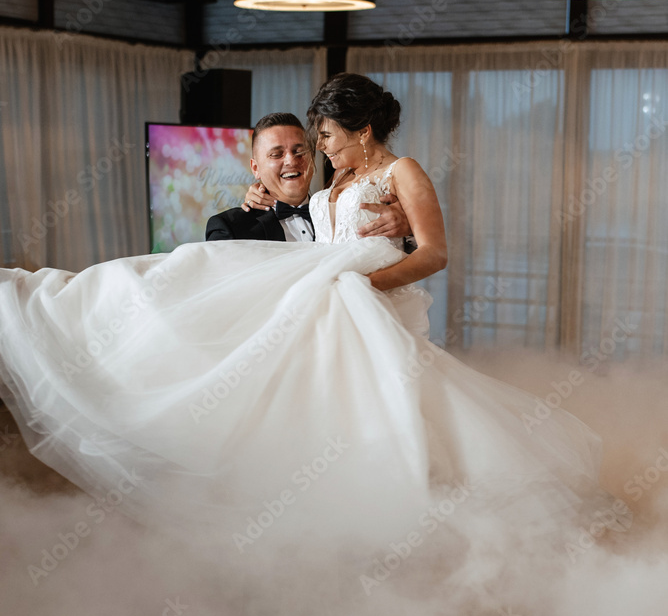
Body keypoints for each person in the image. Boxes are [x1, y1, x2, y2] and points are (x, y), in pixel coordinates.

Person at [0, 73, 624, 541]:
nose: (313, 151)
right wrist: (270, 210)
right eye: (289, 150)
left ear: (360, 130)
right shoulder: (322, 190)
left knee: (404, 403)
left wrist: (369, 273)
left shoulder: (400, 171)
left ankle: (416, 506)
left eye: (320, 137)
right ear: (257, 168)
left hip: (370, 304)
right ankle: (50, 300)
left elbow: (430, 252)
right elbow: (317, 238)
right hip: (326, 312)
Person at [205, 112, 413, 247]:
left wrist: (407, 230)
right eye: (276, 154)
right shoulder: (231, 228)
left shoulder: (345, 211)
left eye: (299, 151)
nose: (291, 160)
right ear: (255, 168)